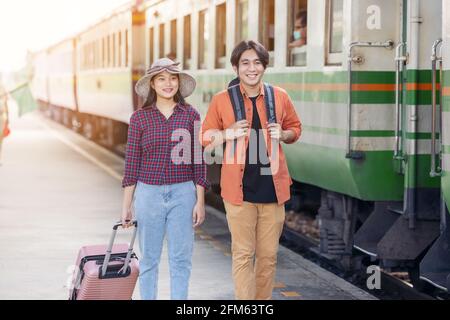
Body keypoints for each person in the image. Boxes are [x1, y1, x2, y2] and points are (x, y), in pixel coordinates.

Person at [201, 40, 302, 300]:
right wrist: (227, 133)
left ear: (264, 67)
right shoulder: (221, 100)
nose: (251, 68)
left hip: (274, 190)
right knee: (243, 255)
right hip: (238, 192)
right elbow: (205, 136)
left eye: (257, 62)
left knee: (268, 257)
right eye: (245, 63)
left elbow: (296, 129)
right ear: (236, 67)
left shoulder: (279, 96)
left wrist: (285, 133)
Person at [121, 58, 208, 300]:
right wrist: (126, 206)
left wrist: (199, 201)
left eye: (172, 78)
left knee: (181, 260)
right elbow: (132, 165)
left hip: (183, 194)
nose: (168, 83)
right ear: (152, 84)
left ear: (179, 83)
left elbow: (198, 161)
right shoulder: (139, 118)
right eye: (161, 79)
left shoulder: (191, 115)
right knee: (149, 260)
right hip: (148, 194)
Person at [0, 84, 9, 166]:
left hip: (1, 119)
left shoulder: (2, 88)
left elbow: (5, 106)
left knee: (0, 140)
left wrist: (7, 119)